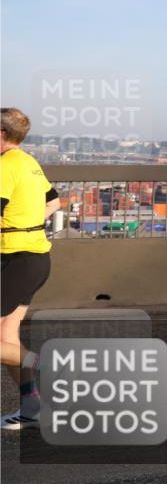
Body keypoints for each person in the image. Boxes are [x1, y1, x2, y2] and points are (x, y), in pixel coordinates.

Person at [0, 107, 60, 430]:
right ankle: (32, 406)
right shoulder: (29, 163)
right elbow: (55, 201)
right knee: (6, 335)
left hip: (19, 260)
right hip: (33, 258)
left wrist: (16, 230)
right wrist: (28, 225)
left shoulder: (5, 166)